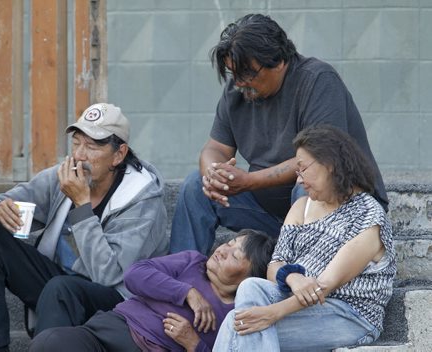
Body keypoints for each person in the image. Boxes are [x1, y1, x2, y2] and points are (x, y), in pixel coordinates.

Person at [169, 13, 388, 256]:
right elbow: (215, 148)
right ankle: (179, 281)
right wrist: (214, 173)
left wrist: (250, 181)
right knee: (195, 185)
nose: (240, 82)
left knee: (308, 180)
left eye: (248, 72)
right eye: (234, 73)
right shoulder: (236, 90)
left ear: (279, 61)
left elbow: (320, 160)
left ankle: (300, 277)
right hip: (273, 217)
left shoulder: (317, 80)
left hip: (343, 216)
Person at [0, 103, 169, 351]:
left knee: (61, 287)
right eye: (76, 143)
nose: (80, 155)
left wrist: (82, 205)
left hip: (118, 304)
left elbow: (110, 276)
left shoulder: (142, 199)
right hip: (58, 289)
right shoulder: (62, 176)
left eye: (91, 146)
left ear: (119, 154)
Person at [212, 125, 396, 352]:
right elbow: (274, 265)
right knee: (251, 287)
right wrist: (292, 278)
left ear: (329, 165)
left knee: (237, 325)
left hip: (349, 314)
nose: (299, 180)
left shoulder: (368, 218)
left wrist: (271, 314)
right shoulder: (302, 207)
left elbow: (324, 286)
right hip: (299, 301)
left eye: (302, 169)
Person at [28, 229, 276, 352]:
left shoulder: (241, 311)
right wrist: (187, 292)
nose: (222, 250)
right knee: (50, 342)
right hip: (111, 330)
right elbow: (136, 274)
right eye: (227, 243)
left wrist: (194, 343)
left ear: (251, 274)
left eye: (235, 254)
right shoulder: (193, 261)